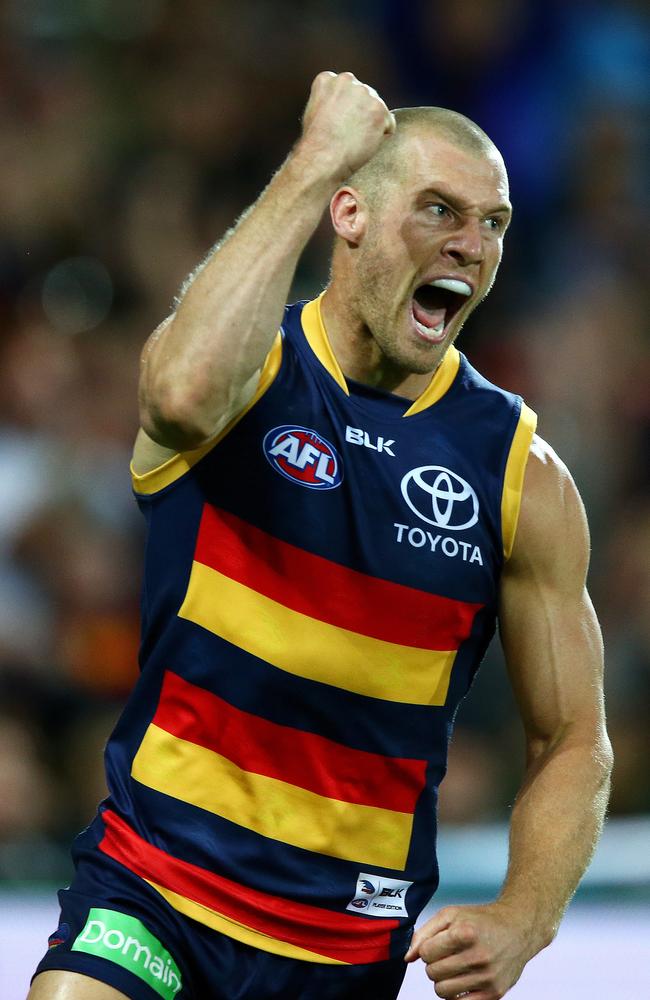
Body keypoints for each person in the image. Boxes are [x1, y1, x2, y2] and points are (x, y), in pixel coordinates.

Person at [29, 71, 612, 1000]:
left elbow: (574, 737)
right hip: (155, 892)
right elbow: (175, 397)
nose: (471, 243)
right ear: (347, 213)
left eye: (493, 222)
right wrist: (310, 157)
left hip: (341, 951)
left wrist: (525, 917)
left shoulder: (521, 476)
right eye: (438, 210)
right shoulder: (241, 374)